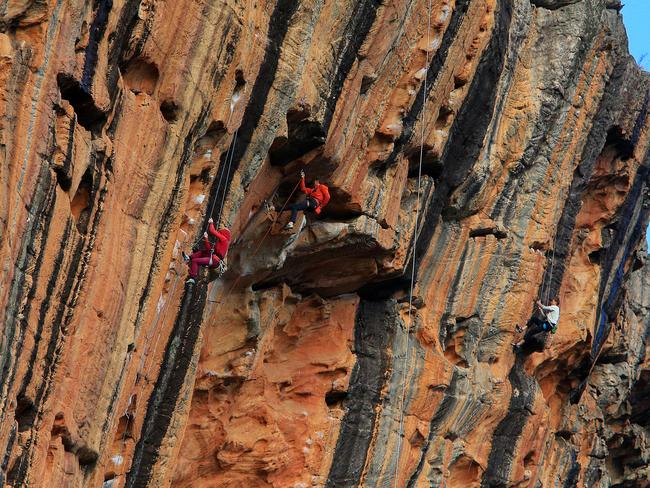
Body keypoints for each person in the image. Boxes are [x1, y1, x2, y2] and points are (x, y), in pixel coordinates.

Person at [183, 218, 231, 283]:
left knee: (195, 261)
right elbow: (209, 249)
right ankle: (188, 258)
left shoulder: (224, 240)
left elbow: (212, 230)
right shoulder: (220, 244)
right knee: (202, 252)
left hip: (214, 260)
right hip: (214, 259)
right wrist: (206, 238)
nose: (219, 233)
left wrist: (211, 222)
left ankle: (193, 278)